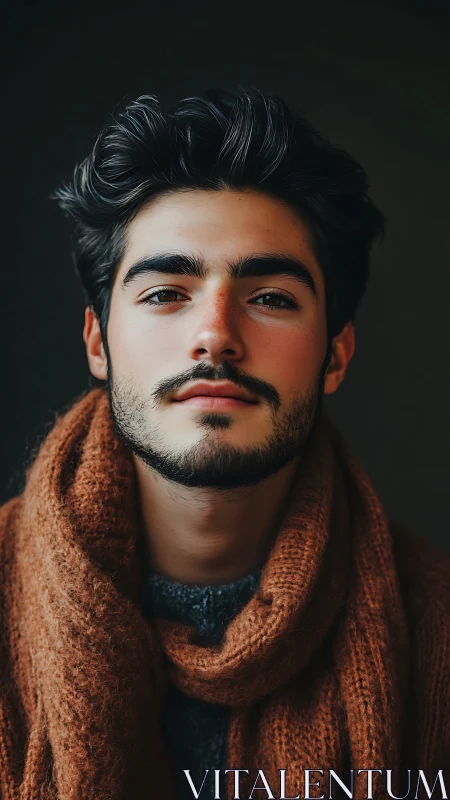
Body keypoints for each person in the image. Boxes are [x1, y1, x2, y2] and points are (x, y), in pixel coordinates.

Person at [0, 88, 448, 800]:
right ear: (98, 341)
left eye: (270, 298)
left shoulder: (437, 629)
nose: (215, 334)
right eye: (164, 294)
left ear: (336, 355)